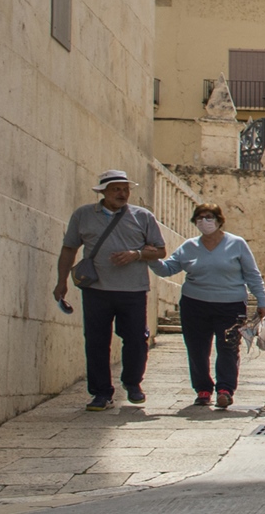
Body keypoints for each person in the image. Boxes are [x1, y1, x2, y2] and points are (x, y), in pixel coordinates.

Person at [54, 170, 167, 411]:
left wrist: (135, 255)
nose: (122, 194)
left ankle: (133, 383)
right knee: (96, 341)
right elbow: (69, 249)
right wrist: (61, 281)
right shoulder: (84, 215)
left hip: (133, 290)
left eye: (126, 189)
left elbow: (160, 251)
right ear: (103, 191)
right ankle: (101, 392)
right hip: (96, 289)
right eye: (116, 189)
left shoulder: (143, 216)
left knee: (136, 339)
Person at [153, 205, 265, 408]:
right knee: (197, 349)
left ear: (218, 220)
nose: (204, 221)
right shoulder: (189, 246)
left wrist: (262, 301)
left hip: (230, 305)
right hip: (195, 304)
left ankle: (225, 389)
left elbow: (252, 274)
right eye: (199, 218)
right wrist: (149, 257)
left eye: (208, 217)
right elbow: (167, 269)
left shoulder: (236, 244)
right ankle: (203, 389)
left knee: (228, 348)